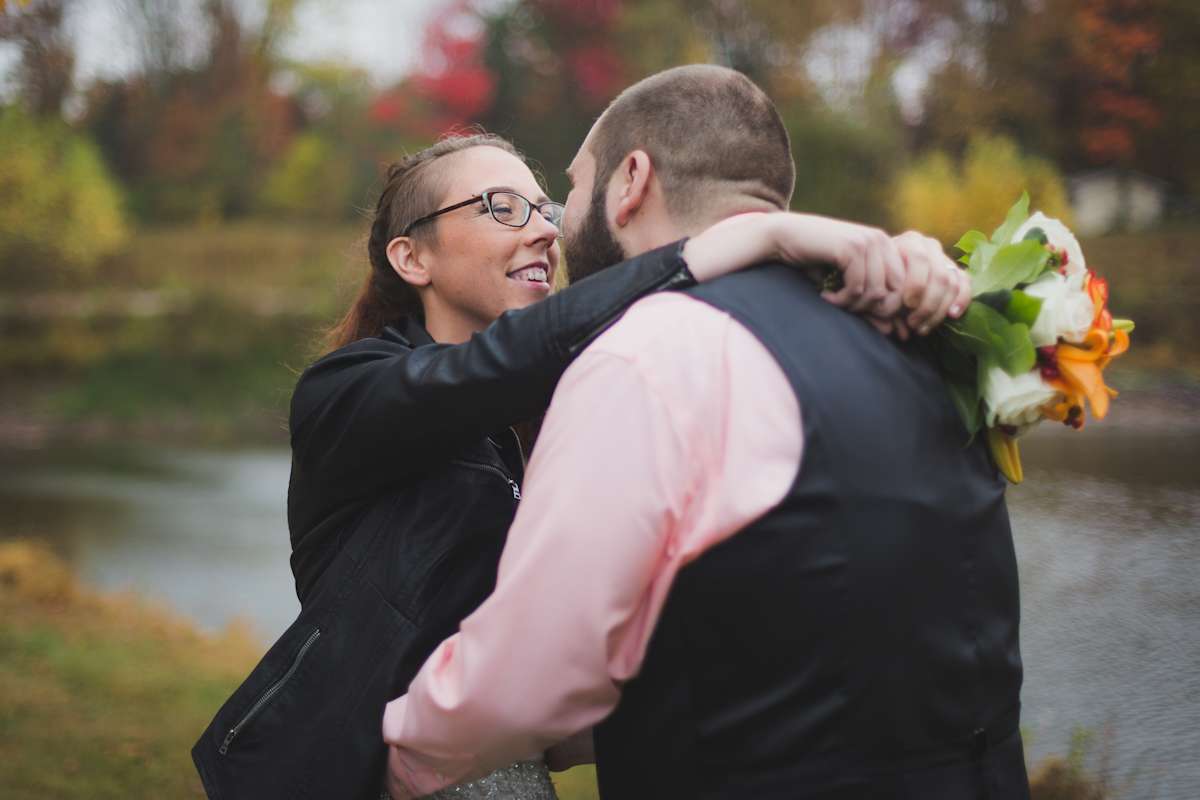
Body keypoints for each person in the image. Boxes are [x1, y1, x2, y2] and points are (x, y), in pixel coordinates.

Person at [191, 128, 968, 799]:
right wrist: (744, 242)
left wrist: (885, 276)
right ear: (411, 256)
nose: (542, 232)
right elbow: (501, 362)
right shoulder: (346, 393)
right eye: (502, 207)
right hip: (362, 772)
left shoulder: (546, 415)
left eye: (545, 208)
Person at [382, 66, 1029, 800]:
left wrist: (400, 760)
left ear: (631, 182)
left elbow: (530, 676)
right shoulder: (918, 339)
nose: (558, 224)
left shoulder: (647, 355)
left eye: (575, 187)